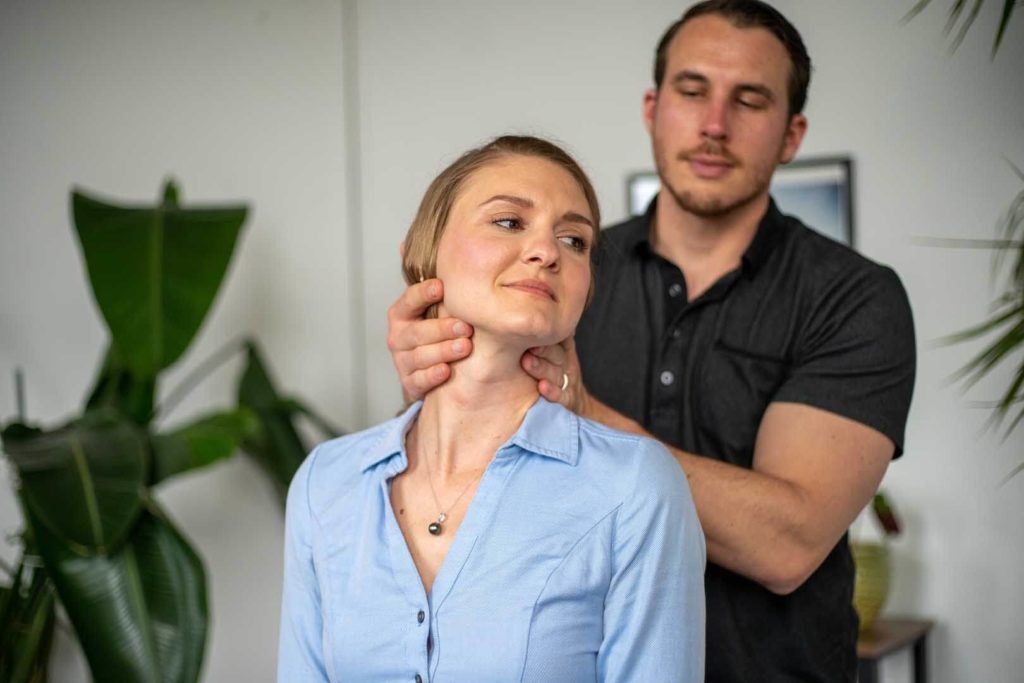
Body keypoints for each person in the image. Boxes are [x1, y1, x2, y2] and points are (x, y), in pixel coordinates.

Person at [386, 3, 916, 682]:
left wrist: (583, 412)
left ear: (792, 134)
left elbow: (789, 545)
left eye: (749, 100)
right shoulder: (564, 273)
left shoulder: (852, 297)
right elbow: (470, 463)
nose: (714, 124)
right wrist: (436, 373)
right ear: (653, 106)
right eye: (692, 91)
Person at [279, 135, 706, 682]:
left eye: (574, 240)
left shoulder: (635, 487)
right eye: (509, 222)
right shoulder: (327, 483)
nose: (547, 251)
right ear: (422, 252)